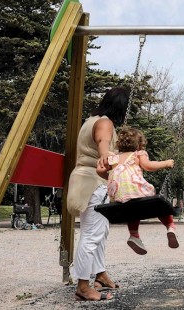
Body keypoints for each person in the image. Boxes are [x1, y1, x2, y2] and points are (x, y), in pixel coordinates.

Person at [66, 87, 129, 301]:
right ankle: (83, 286)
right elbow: (103, 146)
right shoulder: (105, 123)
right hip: (94, 182)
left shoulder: (90, 120)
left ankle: (100, 274)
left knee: (100, 232)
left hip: (85, 180)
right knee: (92, 235)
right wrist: (109, 158)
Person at [105, 127, 178, 255]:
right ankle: (170, 227)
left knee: (132, 211)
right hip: (137, 191)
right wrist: (166, 163)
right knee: (159, 206)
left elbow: (101, 171)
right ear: (139, 144)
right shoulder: (138, 154)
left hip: (119, 196)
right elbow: (148, 166)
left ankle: (134, 235)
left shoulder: (114, 158)